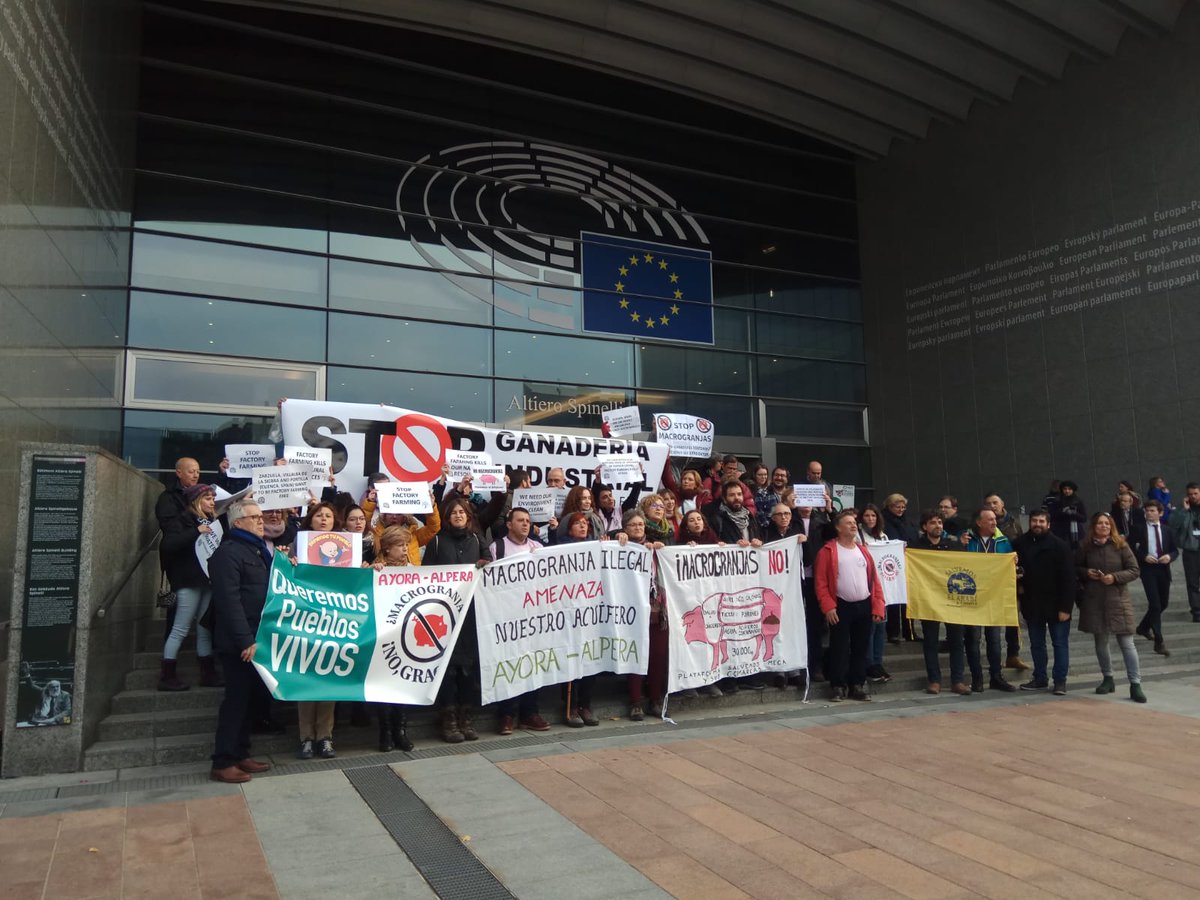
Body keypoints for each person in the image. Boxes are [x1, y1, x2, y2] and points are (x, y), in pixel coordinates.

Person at [208, 499, 273, 783]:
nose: (261, 520)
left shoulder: (258, 551)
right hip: (240, 643)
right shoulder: (228, 554)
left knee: (250, 701)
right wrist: (245, 640)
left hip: (257, 638)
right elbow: (229, 601)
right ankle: (223, 761)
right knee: (236, 702)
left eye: (261, 516)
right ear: (238, 523)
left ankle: (241, 752)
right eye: (255, 517)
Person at [423, 496, 493, 742]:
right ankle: (448, 718)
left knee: (468, 669)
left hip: (472, 615)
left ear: (468, 516)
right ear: (447, 517)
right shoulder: (437, 541)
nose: (458, 516)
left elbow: (491, 566)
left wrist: (485, 564)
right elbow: (425, 575)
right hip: (444, 615)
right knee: (448, 670)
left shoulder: (477, 539)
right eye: (453, 513)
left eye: (462, 512)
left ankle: (466, 716)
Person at [488, 508, 552, 735]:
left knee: (532, 665)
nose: (525, 524)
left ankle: (529, 712)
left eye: (528, 521)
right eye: (520, 521)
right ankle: (506, 714)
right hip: (508, 616)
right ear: (509, 524)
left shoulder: (538, 548)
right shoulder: (498, 547)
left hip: (533, 616)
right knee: (509, 665)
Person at [158, 483, 223, 692]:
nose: (212, 502)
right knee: (180, 628)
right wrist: (196, 532)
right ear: (196, 500)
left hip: (208, 581)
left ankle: (208, 672)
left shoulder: (214, 522)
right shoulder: (182, 521)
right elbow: (169, 545)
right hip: (188, 581)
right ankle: (167, 675)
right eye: (207, 498)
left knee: (204, 627)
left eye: (213, 499)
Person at [815, 510, 884, 702]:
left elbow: (874, 581)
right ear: (838, 527)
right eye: (848, 523)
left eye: (854, 522)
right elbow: (820, 583)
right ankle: (838, 685)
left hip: (864, 605)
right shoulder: (827, 551)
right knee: (839, 647)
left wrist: (878, 605)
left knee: (861, 647)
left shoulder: (863, 551)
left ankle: (857, 684)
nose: (854, 525)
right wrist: (828, 607)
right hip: (840, 605)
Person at [1076, 512, 1145, 703]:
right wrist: (1086, 572)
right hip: (1095, 600)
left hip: (1118, 600)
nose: (1103, 526)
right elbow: (1075, 567)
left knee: (1127, 643)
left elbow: (1134, 570)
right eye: (1099, 523)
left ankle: (1135, 683)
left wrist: (1114, 577)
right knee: (1101, 642)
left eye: (1107, 523)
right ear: (1093, 526)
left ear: (1111, 526)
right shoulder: (1085, 546)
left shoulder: (1121, 545)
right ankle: (1108, 677)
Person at [294, 502, 341, 759]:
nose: (323, 520)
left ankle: (325, 736)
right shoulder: (297, 546)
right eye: (319, 516)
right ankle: (306, 738)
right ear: (310, 520)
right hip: (305, 621)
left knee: (328, 682)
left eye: (329, 516)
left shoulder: (348, 549)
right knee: (306, 682)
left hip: (334, 623)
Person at [1013, 509, 1074, 694]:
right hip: (1033, 604)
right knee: (1037, 644)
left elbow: (1069, 579)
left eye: (1041, 521)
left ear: (1048, 524)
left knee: (1059, 643)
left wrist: (1066, 607)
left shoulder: (1060, 546)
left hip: (1057, 604)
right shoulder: (1020, 543)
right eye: (1034, 521)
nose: (1037, 524)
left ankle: (1060, 681)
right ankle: (1040, 678)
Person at [913, 510, 971, 695]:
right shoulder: (915, 548)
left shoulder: (952, 545)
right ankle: (934, 680)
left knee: (956, 640)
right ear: (924, 527)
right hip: (928, 599)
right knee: (930, 641)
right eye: (933, 523)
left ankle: (958, 680)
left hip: (951, 599)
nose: (938, 526)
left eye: (940, 522)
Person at [369, 525, 416, 752]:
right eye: (400, 545)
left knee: (402, 683)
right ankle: (385, 732)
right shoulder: (377, 569)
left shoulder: (413, 569)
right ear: (387, 549)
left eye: (406, 545)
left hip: (405, 635)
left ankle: (401, 730)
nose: (405, 549)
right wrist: (371, 571)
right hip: (382, 636)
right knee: (384, 685)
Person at [553, 512, 601, 725]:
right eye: (577, 524)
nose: (583, 526)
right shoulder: (559, 549)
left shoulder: (597, 546)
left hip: (590, 611)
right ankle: (570, 705)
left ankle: (586, 704)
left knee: (590, 657)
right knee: (571, 657)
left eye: (585, 523)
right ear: (568, 527)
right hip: (568, 611)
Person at [964, 508, 1017, 692]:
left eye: (995, 519)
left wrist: (1014, 561)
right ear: (979, 522)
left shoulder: (1003, 541)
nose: (995, 522)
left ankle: (996, 677)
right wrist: (958, 544)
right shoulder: (968, 540)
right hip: (973, 598)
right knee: (973, 639)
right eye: (990, 520)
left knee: (994, 640)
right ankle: (977, 678)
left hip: (994, 597)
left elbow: (1009, 564)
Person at [622, 509, 669, 719]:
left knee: (657, 656)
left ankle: (655, 699)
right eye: (633, 525)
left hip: (657, 610)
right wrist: (618, 539)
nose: (638, 528)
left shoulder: (655, 547)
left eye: (641, 524)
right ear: (625, 528)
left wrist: (661, 551)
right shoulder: (620, 547)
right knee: (635, 654)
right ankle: (635, 701)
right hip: (631, 610)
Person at [979, 493, 1027, 671]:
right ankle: (994, 659)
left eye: (995, 502)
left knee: (1011, 619)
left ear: (1002, 504)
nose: (992, 505)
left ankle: (1013, 655)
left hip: (1008, 578)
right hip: (987, 581)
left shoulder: (1014, 524)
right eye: (988, 503)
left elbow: (1021, 546)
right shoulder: (977, 530)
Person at [1131, 499, 1177, 656]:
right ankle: (1159, 641)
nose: (1149, 513)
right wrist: (1143, 556)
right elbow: (1130, 548)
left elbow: (1174, 550)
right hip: (1148, 570)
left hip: (1163, 569)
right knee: (1155, 604)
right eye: (1147, 511)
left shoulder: (1166, 530)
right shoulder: (1138, 528)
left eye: (1152, 511)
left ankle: (1143, 627)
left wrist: (1169, 557)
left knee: (1163, 604)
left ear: (1160, 513)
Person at [858, 504, 892, 683]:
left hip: (884, 585)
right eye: (867, 515)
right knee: (871, 626)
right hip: (865, 584)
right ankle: (869, 663)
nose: (870, 519)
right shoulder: (858, 535)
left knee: (881, 626)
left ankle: (878, 662)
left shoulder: (883, 536)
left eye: (873, 516)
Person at [881, 494, 917, 643]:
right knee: (894, 598)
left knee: (908, 599)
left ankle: (910, 632)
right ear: (889, 506)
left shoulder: (907, 522)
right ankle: (893, 632)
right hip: (891, 564)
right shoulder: (883, 522)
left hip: (908, 564)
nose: (901, 509)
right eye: (898, 506)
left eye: (903, 507)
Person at [1169, 482, 1200, 623]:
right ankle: (1197, 611)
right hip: (1190, 551)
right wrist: (1184, 510)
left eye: (1195, 493)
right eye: (1190, 494)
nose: (1193, 496)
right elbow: (1173, 525)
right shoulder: (1182, 510)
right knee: (1192, 582)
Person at [703, 479, 764, 546]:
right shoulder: (717, 519)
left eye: (739, 494)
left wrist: (759, 542)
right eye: (732, 495)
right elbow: (713, 543)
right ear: (724, 498)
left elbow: (762, 539)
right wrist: (734, 545)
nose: (736, 498)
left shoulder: (751, 517)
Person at [1047, 480, 1087, 549]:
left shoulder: (1078, 501)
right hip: (1060, 532)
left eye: (1069, 489)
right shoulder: (1057, 501)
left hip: (1076, 532)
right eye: (1065, 489)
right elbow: (1051, 515)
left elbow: (1084, 518)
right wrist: (1062, 512)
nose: (1067, 491)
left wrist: (1073, 513)